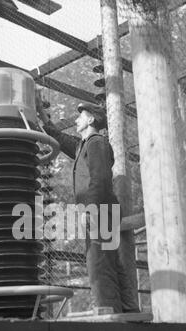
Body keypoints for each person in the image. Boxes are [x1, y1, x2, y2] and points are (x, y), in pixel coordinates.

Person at [36, 94, 140, 313]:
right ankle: (129, 310)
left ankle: (108, 313)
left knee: (98, 263)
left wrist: (90, 210)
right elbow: (56, 136)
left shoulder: (97, 144)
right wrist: (42, 113)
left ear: (91, 120)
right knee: (109, 261)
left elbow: (101, 179)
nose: (75, 121)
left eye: (80, 117)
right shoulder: (82, 146)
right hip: (101, 211)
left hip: (99, 211)